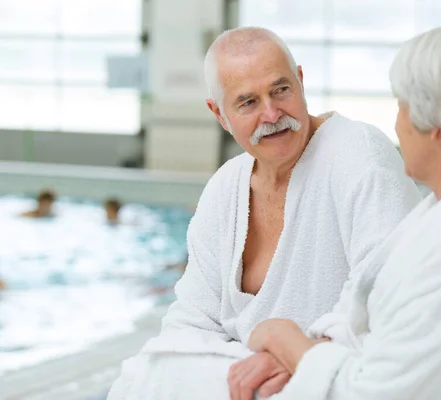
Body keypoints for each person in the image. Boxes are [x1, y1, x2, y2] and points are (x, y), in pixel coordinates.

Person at [246, 26, 441, 400]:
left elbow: (373, 393)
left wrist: (283, 339)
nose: (397, 125)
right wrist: (309, 348)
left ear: (437, 125)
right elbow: (365, 313)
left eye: (401, 106)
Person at [107, 27, 421, 400]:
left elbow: (387, 298)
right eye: (247, 102)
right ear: (219, 113)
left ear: (300, 82)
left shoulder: (359, 156)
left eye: (280, 90)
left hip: (337, 376)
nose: (271, 114)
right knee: (140, 375)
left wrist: (297, 354)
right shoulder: (226, 189)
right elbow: (191, 320)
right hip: (249, 381)